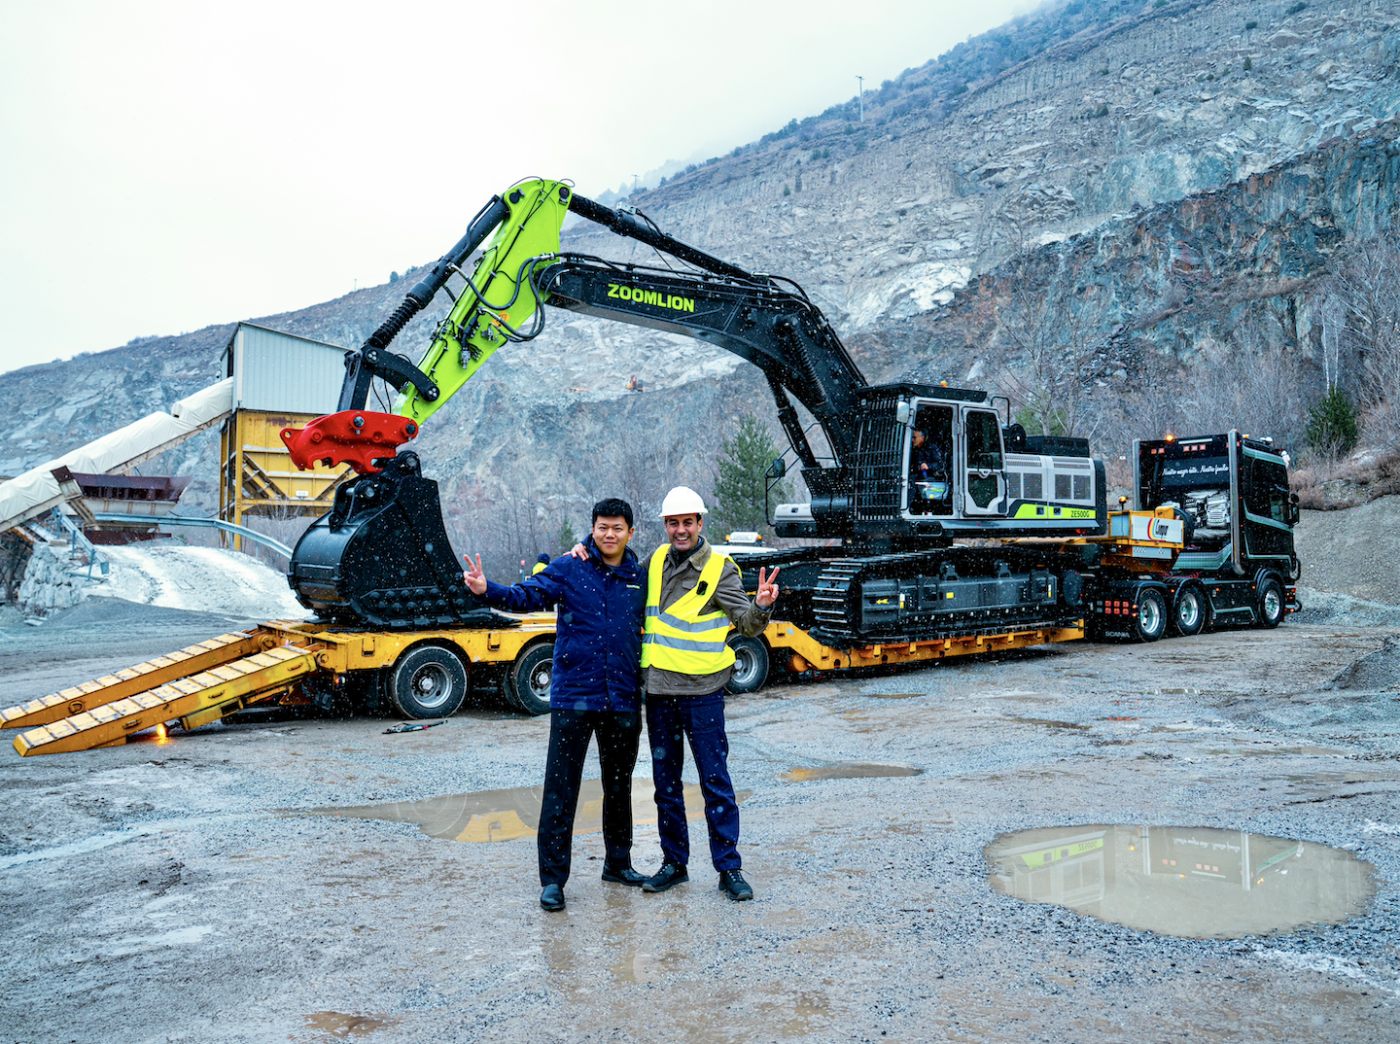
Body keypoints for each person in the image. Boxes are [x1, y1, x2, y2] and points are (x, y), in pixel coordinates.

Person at [571, 485, 778, 901]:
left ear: (700, 524)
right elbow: (614, 567)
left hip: (703, 694)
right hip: (661, 695)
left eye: (687, 522)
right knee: (666, 784)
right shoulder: (654, 562)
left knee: (714, 781)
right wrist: (584, 548)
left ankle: (729, 869)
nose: (680, 530)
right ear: (665, 526)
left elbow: (747, 625)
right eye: (673, 523)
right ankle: (674, 864)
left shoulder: (720, 568)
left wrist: (761, 605)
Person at [463, 498, 648, 912]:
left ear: (630, 532)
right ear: (593, 529)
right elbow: (525, 596)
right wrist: (486, 590)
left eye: (617, 528)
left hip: (621, 697)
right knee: (560, 790)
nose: (609, 534)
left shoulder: (640, 576)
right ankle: (553, 880)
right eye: (602, 527)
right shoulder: (569, 567)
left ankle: (618, 863)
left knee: (618, 787)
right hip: (574, 699)